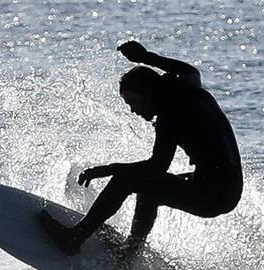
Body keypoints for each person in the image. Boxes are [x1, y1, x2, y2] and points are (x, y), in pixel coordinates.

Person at [39, 40, 243, 257]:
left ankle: (75, 238)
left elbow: (157, 166)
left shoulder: (170, 114)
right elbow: (189, 69)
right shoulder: (187, 86)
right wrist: (145, 57)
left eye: (133, 102)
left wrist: (108, 169)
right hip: (228, 188)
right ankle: (130, 252)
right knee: (148, 191)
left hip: (212, 194)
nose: (133, 111)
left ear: (148, 92)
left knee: (125, 180)